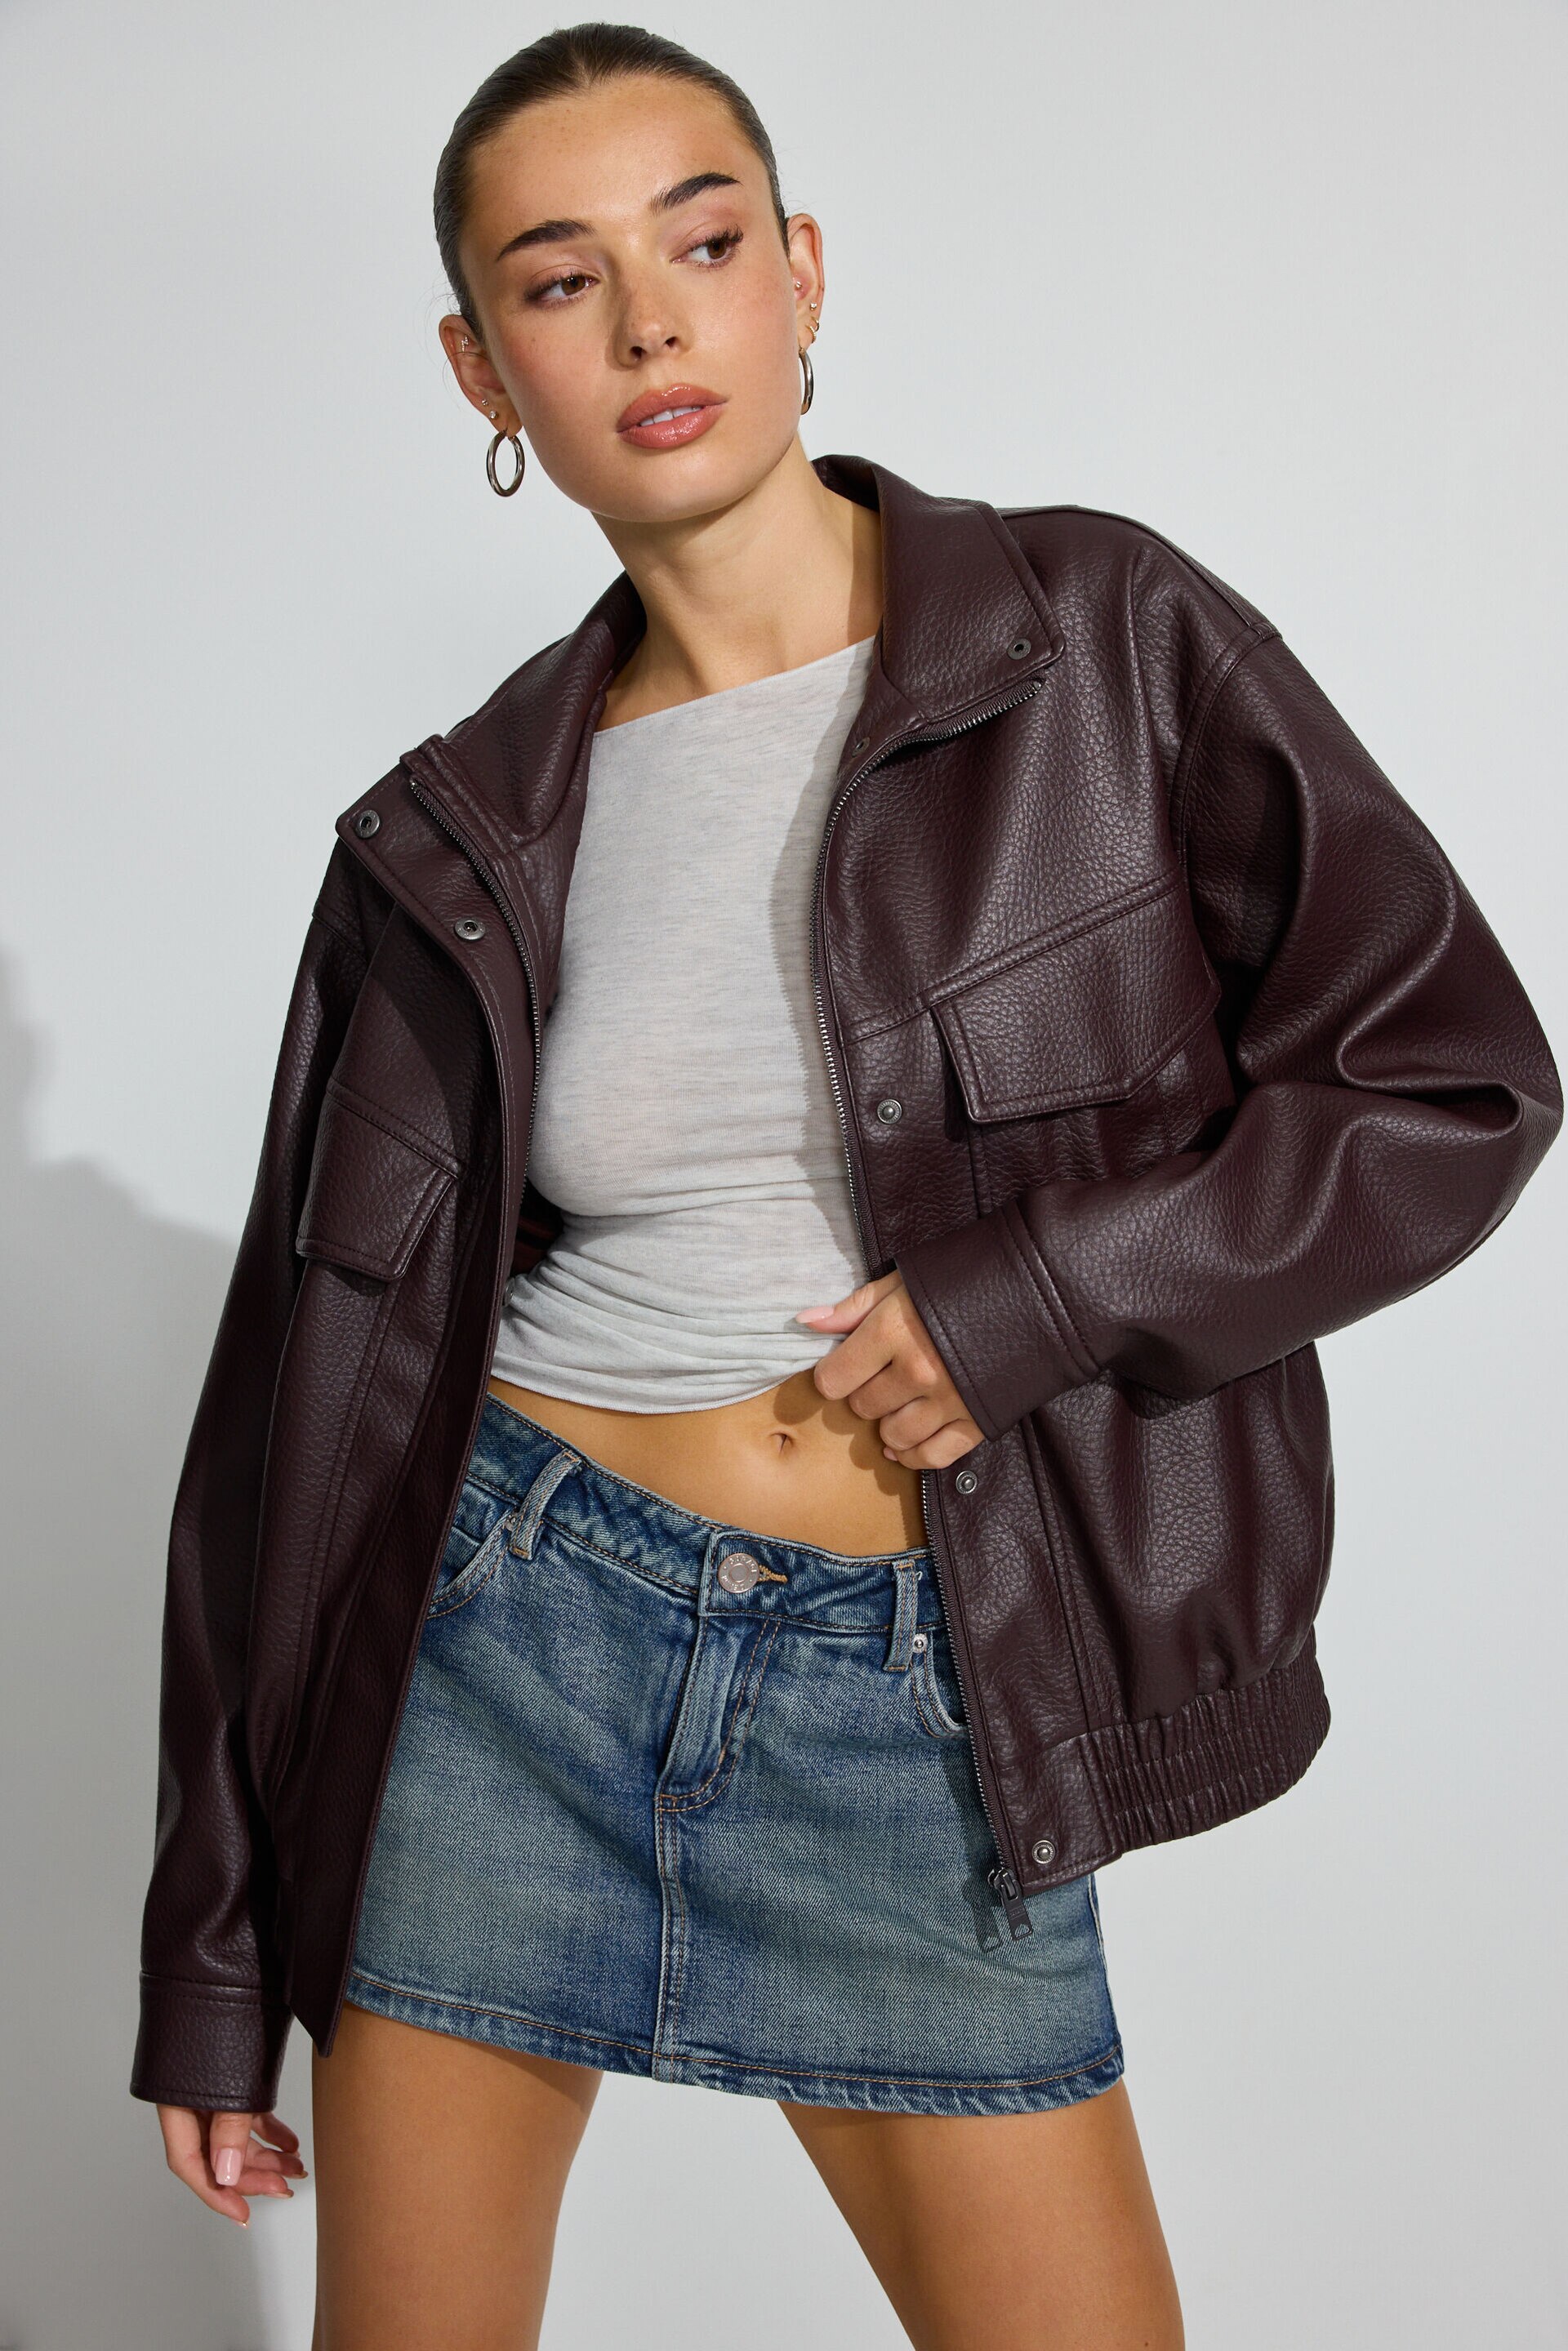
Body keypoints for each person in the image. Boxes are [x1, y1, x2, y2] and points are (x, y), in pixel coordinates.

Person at [129, 23, 1560, 2350]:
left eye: (700, 244)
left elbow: (1449, 1079)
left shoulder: (1098, 640)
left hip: (916, 1681)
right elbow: (288, 1412)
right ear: (482, 368)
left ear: (801, 272)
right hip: (498, 1661)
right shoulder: (444, 836)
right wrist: (211, 1957)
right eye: (561, 282)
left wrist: (1034, 1300)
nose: (651, 324)